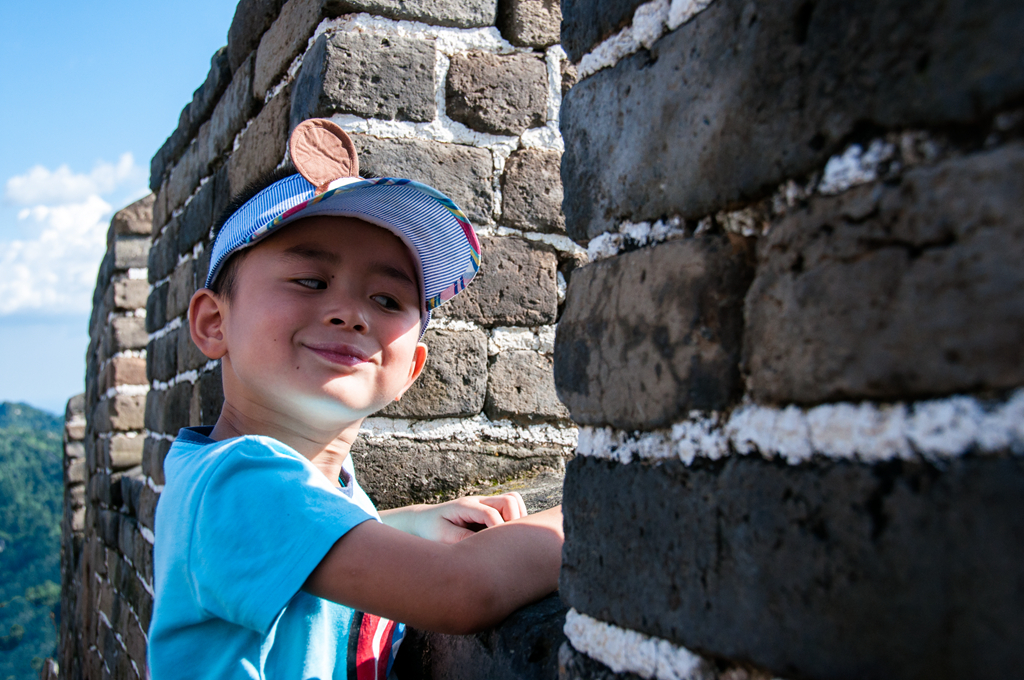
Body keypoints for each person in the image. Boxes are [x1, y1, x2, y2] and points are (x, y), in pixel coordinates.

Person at [147, 118, 564, 679]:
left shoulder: (286, 486)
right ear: (214, 322)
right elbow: (463, 590)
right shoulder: (237, 482)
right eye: (311, 282)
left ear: (413, 365)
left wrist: (414, 522)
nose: (352, 313)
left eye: (388, 298)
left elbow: (316, 525)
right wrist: (602, 506)